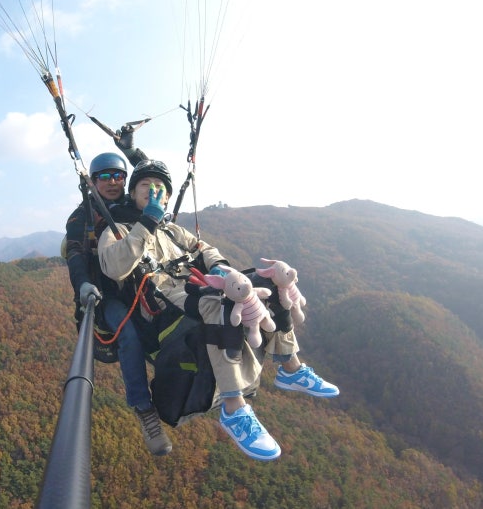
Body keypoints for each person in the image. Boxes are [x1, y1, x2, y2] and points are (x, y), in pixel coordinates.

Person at [97, 159, 339, 461]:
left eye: (160, 188)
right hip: (164, 301)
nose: (153, 191)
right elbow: (113, 267)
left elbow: (205, 249)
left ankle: (290, 367)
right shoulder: (119, 229)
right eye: (145, 185)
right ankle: (234, 408)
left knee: (272, 277)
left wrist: (223, 272)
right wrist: (146, 223)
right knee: (220, 305)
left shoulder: (172, 231)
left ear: (168, 197)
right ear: (133, 192)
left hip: (197, 285)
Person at [63, 137, 174, 456]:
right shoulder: (82, 217)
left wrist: (132, 150)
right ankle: (145, 409)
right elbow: (75, 255)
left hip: (146, 282)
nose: (113, 183)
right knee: (128, 334)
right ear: (93, 181)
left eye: (118, 176)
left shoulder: (131, 205)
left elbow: (153, 178)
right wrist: (83, 285)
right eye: (105, 177)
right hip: (108, 292)